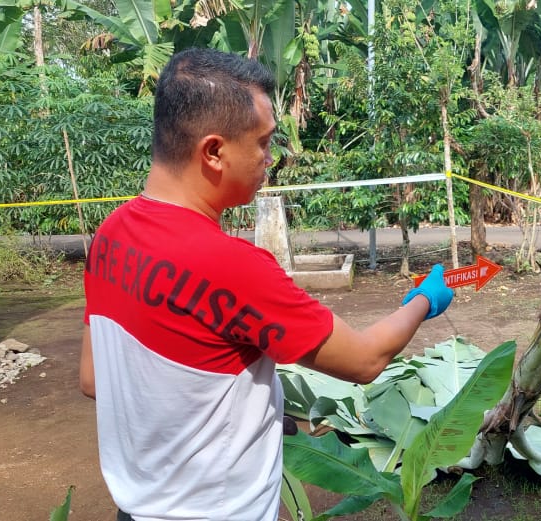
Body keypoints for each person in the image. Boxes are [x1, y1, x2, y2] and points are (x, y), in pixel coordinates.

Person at [79, 48, 454, 521]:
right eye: (262, 143)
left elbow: (96, 380)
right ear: (213, 152)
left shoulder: (109, 236)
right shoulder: (233, 266)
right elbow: (365, 360)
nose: (269, 158)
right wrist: (424, 299)